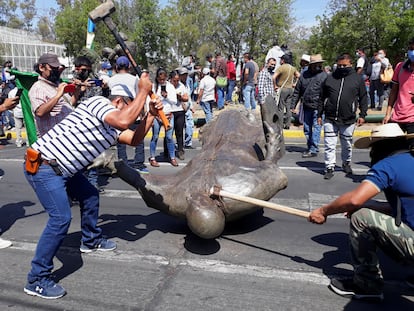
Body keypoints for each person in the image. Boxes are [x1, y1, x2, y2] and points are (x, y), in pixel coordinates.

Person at [23, 74, 161, 299]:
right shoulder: (99, 103)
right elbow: (124, 121)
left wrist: (151, 116)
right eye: (132, 106)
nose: (134, 115)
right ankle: (36, 279)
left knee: (89, 195)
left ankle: (90, 239)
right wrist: (144, 91)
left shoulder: (112, 125)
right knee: (60, 219)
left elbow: (134, 139)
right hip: (44, 166)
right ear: (119, 101)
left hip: (65, 170)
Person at [309, 123, 414, 301]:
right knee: (369, 207)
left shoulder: (388, 165)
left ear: (380, 147)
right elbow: (401, 208)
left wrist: (324, 211)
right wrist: (370, 206)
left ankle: (367, 284)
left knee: (361, 218)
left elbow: (355, 199)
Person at [318, 53, 368, 180]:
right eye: (339, 65)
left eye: (344, 65)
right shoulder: (330, 78)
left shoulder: (357, 79)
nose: (341, 67)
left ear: (351, 64)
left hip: (348, 119)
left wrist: (363, 114)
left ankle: (346, 163)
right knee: (329, 144)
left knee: (346, 143)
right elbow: (321, 97)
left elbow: (363, 98)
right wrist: (319, 114)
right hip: (330, 117)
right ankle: (329, 167)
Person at [108, 56, 148, 173]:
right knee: (138, 136)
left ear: (116, 67)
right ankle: (139, 164)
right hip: (131, 107)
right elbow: (138, 95)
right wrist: (142, 112)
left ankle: (123, 163)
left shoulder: (112, 79)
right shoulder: (134, 79)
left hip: (116, 109)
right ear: (129, 67)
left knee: (120, 137)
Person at [29, 53, 76, 138]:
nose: (56, 70)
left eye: (57, 68)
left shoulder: (56, 85)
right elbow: (40, 112)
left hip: (66, 136)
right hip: (52, 140)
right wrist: (58, 96)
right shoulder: (38, 87)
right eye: (52, 68)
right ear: (41, 68)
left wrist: (78, 89)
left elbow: (69, 104)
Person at [291, 54, 327, 158]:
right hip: (306, 105)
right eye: (316, 64)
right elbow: (297, 91)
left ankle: (313, 148)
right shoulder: (304, 75)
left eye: (319, 64)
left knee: (316, 127)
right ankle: (310, 145)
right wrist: (293, 105)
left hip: (319, 107)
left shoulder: (324, 76)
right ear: (311, 65)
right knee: (307, 128)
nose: (318, 66)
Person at [383, 37, 414, 134]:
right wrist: (388, 114)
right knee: (395, 148)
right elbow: (393, 92)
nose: (412, 52)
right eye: (410, 49)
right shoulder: (400, 67)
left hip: (413, 120)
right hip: (397, 117)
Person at [149, 67, 178, 167]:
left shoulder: (170, 87)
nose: (162, 81)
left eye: (163, 79)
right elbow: (149, 100)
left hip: (168, 115)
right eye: (160, 79)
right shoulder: (154, 87)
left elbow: (174, 102)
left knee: (169, 137)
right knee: (155, 136)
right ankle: (153, 158)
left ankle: (172, 157)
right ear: (157, 78)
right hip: (157, 116)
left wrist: (166, 97)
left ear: (166, 78)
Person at [273, 54, 300, 129]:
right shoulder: (293, 68)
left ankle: (280, 124)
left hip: (283, 89)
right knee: (288, 108)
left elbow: (274, 77)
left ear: (283, 60)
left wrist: (275, 85)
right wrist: (295, 84)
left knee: (281, 107)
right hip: (290, 89)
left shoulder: (281, 68)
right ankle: (288, 124)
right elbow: (299, 76)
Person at [170, 69, 188, 160]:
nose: (176, 82)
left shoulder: (181, 86)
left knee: (179, 132)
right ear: (171, 79)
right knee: (169, 133)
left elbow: (186, 98)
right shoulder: (167, 86)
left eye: (177, 80)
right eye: (174, 80)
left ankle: (180, 150)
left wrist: (180, 97)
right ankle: (168, 152)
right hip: (170, 111)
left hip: (179, 111)